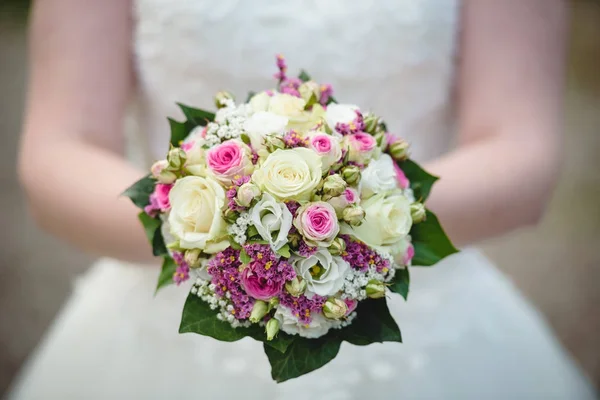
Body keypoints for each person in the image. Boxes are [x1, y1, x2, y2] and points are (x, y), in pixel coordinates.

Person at [9, 0, 597, 399]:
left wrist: (349, 232)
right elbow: (59, 153)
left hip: (412, 298)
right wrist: (219, 236)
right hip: (167, 301)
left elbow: (522, 153)